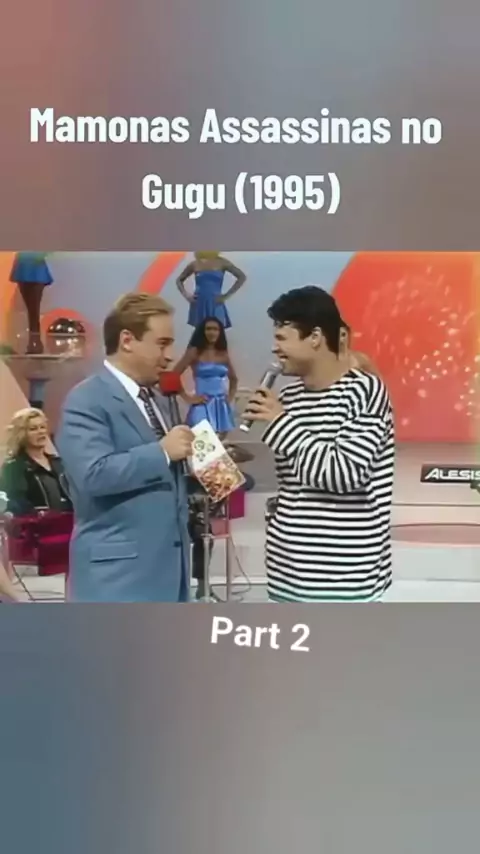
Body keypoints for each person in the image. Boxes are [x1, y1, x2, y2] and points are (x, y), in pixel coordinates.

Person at [243, 286, 395, 603]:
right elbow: (295, 483)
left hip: (345, 581)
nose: (274, 348)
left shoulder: (364, 392)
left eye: (282, 338)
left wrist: (280, 423)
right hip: (286, 576)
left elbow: (344, 475)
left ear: (314, 337)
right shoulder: (289, 397)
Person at [56, 293, 194, 603]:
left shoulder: (159, 401)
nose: (170, 356)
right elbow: (93, 475)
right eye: (162, 344)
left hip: (169, 576)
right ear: (127, 340)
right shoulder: (86, 399)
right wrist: (162, 452)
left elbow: (163, 479)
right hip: (116, 581)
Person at [173, 317, 237, 441]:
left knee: (218, 444)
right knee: (201, 441)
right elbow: (174, 374)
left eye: (215, 329)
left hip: (220, 407)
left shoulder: (223, 354)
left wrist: (229, 399)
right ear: (202, 331)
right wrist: (188, 397)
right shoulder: (194, 352)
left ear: (220, 332)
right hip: (202, 404)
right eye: (208, 329)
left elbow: (234, 379)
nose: (212, 332)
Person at [0, 408, 72, 516]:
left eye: (42, 427)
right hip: (38, 524)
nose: (41, 432)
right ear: (22, 434)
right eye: (33, 429)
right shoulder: (15, 467)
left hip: (70, 522)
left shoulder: (59, 463)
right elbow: (17, 503)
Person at [175, 251, 246, 329]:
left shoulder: (222, 262)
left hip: (216, 301)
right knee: (200, 331)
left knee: (217, 328)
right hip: (199, 302)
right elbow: (179, 280)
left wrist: (226, 296)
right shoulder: (195, 264)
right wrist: (187, 295)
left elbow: (242, 276)